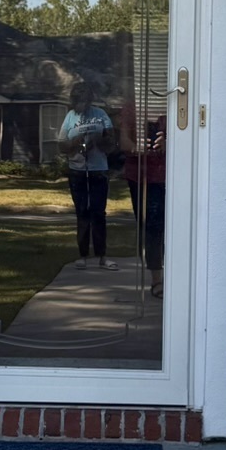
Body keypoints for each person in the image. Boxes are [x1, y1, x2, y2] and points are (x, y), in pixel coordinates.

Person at [57, 81, 115, 268]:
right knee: (82, 212)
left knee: (98, 212)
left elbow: (111, 144)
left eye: (84, 101)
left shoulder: (101, 115)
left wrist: (99, 140)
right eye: (78, 102)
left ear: (89, 100)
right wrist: (74, 142)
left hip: (98, 168)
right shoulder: (70, 117)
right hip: (77, 170)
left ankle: (101, 255)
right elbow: (61, 145)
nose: (81, 105)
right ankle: (83, 254)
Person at [122, 104, 166, 297]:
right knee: (151, 228)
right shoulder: (132, 107)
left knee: (176, 228)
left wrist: (169, 142)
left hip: (171, 175)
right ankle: (157, 280)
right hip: (139, 177)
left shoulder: (174, 104)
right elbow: (123, 141)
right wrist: (137, 147)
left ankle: (179, 278)